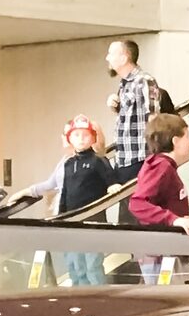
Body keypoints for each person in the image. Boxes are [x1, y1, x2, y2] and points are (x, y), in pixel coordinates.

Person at [23, 115, 115, 284]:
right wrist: (61, 218)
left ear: (93, 138)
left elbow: (111, 180)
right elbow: (63, 191)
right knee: (77, 267)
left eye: (85, 135)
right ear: (70, 138)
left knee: (93, 266)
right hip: (71, 223)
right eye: (76, 135)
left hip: (94, 223)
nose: (81, 139)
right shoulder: (67, 164)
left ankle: (98, 300)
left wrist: (113, 186)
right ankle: (80, 298)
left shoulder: (99, 161)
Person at [104, 38, 158, 187]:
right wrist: (116, 106)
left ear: (123, 58)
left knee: (137, 207)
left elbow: (154, 118)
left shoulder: (144, 81)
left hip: (139, 158)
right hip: (124, 158)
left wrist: (153, 158)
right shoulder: (125, 83)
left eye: (111, 53)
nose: (107, 58)